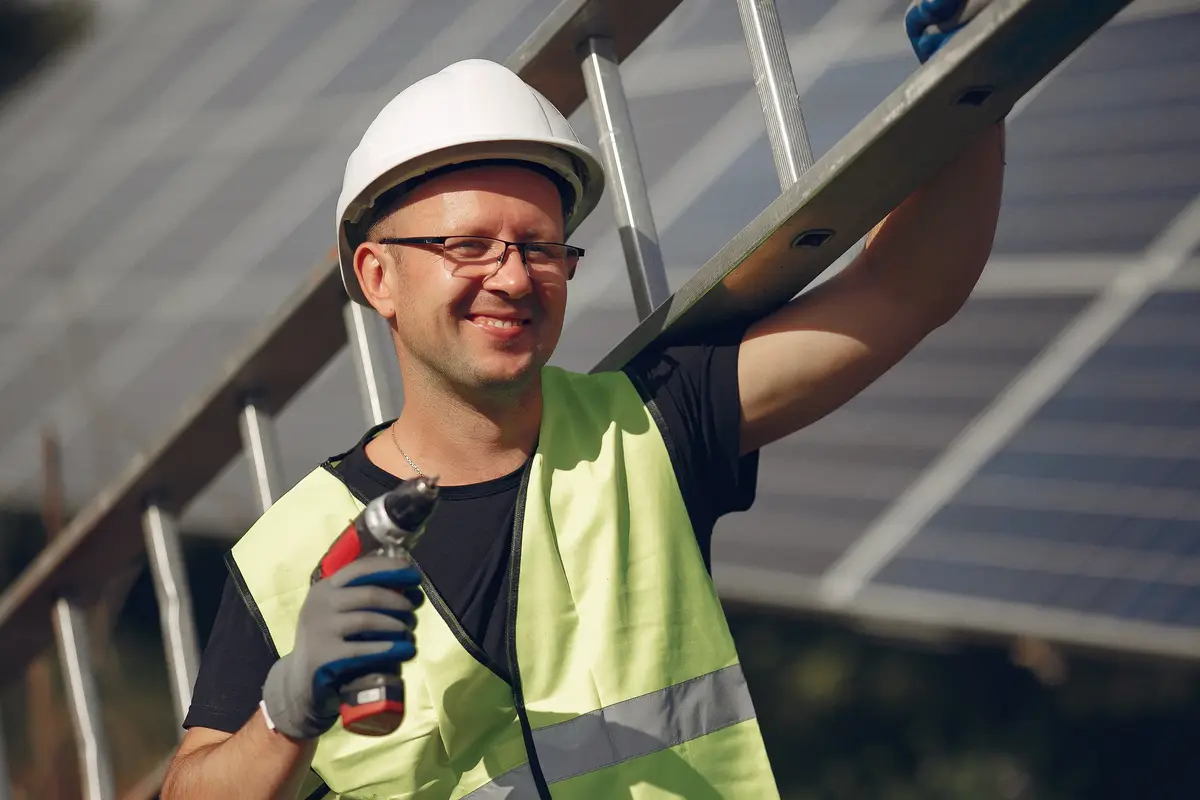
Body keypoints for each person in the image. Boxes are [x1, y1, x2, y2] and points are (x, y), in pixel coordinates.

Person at [162, 2, 1005, 797]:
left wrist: (971, 82)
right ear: (378, 277)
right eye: (468, 245)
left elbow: (904, 289)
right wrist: (285, 715)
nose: (514, 277)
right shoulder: (285, 558)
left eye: (540, 247)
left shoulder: (646, 428)